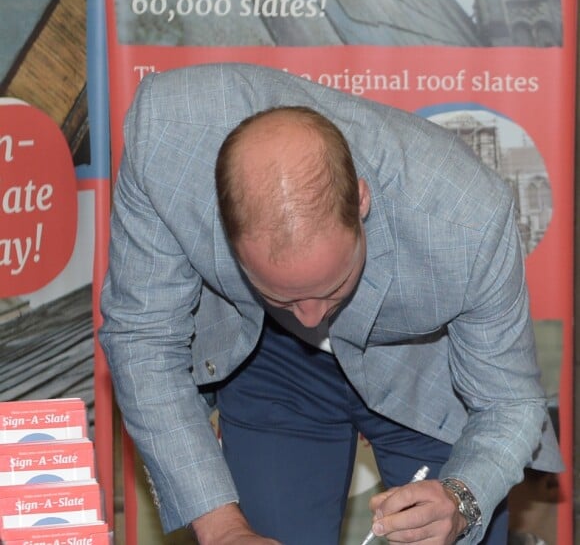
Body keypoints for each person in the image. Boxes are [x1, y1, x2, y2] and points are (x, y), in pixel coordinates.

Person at [99, 63, 562, 545]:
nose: (314, 317)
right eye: (283, 293)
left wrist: (462, 499)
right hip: (272, 358)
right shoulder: (165, 138)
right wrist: (221, 530)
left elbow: (508, 402)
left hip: (423, 370)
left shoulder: (466, 217)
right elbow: (143, 339)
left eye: (332, 287)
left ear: (361, 202)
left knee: (445, 527)